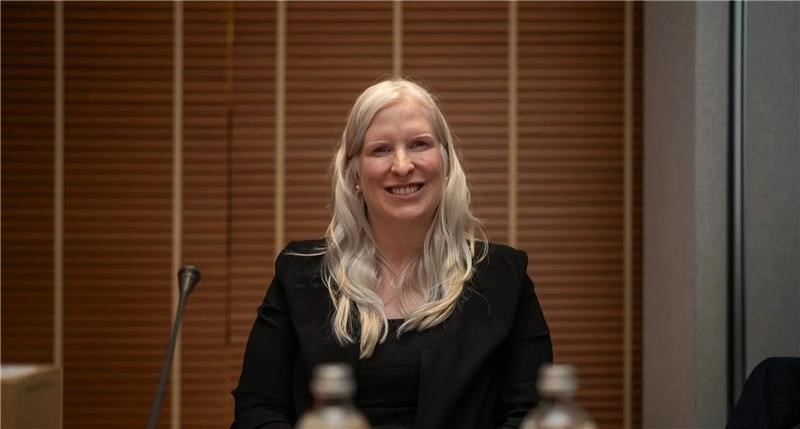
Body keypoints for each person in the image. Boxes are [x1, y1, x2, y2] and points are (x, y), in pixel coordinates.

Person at [231, 78, 553, 429]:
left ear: (446, 161)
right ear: (354, 171)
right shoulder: (299, 276)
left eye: (419, 144)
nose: (401, 166)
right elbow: (258, 411)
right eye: (381, 149)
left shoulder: (504, 279)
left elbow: (531, 415)